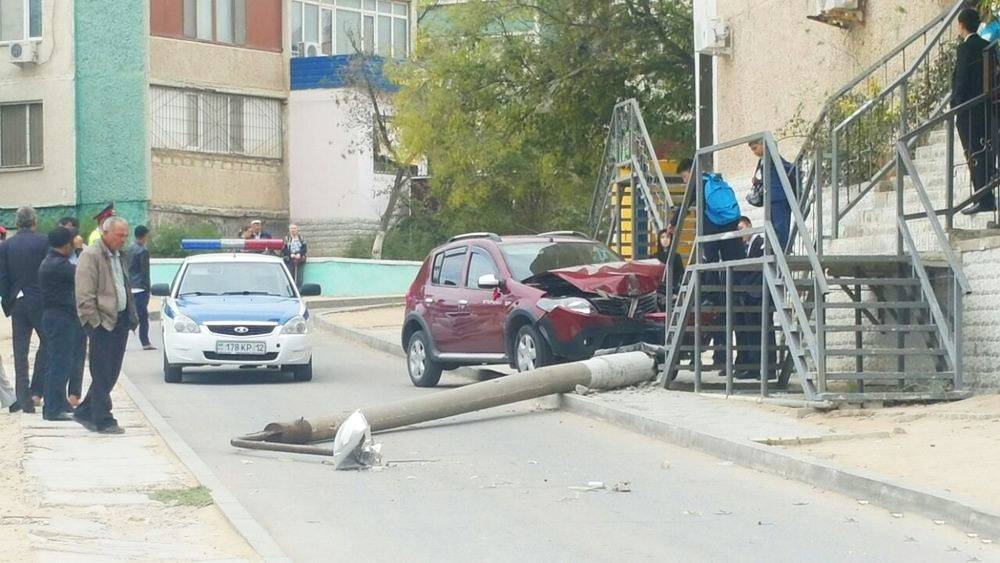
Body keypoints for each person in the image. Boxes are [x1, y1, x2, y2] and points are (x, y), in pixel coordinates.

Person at [74, 216, 138, 434]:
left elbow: (124, 285)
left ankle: (84, 409)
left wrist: (131, 315)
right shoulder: (91, 256)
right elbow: (84, 294)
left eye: (125, 236)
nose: (123, 240)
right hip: (102, 322)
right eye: (120, 235)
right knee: (101, 371)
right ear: (106, 233)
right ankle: (103, 418)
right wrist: (94, 322)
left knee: (111, 372)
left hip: (119, 320)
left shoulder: (120, 255)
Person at [0, 206, 50, 413]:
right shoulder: (43, 241)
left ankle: (23, 399)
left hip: (18, 301)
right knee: (48, 343)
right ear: (34, 222)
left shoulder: (6, 246)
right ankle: (36, 390)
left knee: (19, 353)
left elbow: (3, 277)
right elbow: (48, 271)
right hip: (39, 300)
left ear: (17, 222)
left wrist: (7, 300)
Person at [953, 8, 997, 215]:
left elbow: (960, 80)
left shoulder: (965, 48)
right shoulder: (987, 45)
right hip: (987, 108)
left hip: (969, 110)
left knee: (974, 153)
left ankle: (984, 198)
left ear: (961, 25)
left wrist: (955, 106)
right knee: (985, 151)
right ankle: (987, 196)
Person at [38, 227, 80, 422]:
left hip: (57, 317)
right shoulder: (59, 265)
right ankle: (52, 409)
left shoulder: (52, 260)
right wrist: (80, 252)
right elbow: (81, 273)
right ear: (66, 245)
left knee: (62, 361)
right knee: (58, 364)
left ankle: (59, 403)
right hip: (59, 318)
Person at [58, 217, 86, 406]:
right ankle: (58, 393)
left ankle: (74, 393)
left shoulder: (83, 252)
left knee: (78, 351)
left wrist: (78, 250)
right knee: (60, 353)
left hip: (79, 308)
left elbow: (85, 273)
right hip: (61, 309)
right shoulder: (55, 254)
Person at [748, 140, 793, 251]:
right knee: (773, 225)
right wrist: (759, 182)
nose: (754, 152)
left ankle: (782, 248)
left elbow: (783, 171)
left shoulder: (773, 157)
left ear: (763, 145)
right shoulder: (764, 160)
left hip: (778, 196)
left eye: (755, 148)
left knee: (780, 225)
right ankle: (776, 247)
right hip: (771, 197)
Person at [127, 225, 155, 351]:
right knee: (143, 317)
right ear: (144, 236)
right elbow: (145, 272)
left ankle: (123, 343)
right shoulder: (143, 251)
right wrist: (147, 288)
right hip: (140, 288)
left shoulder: (129, 249)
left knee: (128, 316)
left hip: (130, 287)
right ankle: (145, 342)